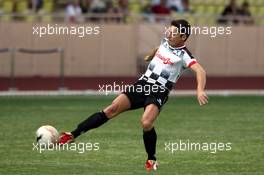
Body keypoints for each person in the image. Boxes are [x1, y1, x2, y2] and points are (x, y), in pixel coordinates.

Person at [59, 19, 209, 172]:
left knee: (146, 123)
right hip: (142, 85)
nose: (169, 34)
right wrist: (149, 55)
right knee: (111, 110)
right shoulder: (166, 42)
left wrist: (200, 90)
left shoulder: (185, 55)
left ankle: (151, 159)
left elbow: (200, 71)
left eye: (173, 33)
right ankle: (72, 135)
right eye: (169, 31)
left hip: (159, 90)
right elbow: (159, 48)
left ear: (183, 37)